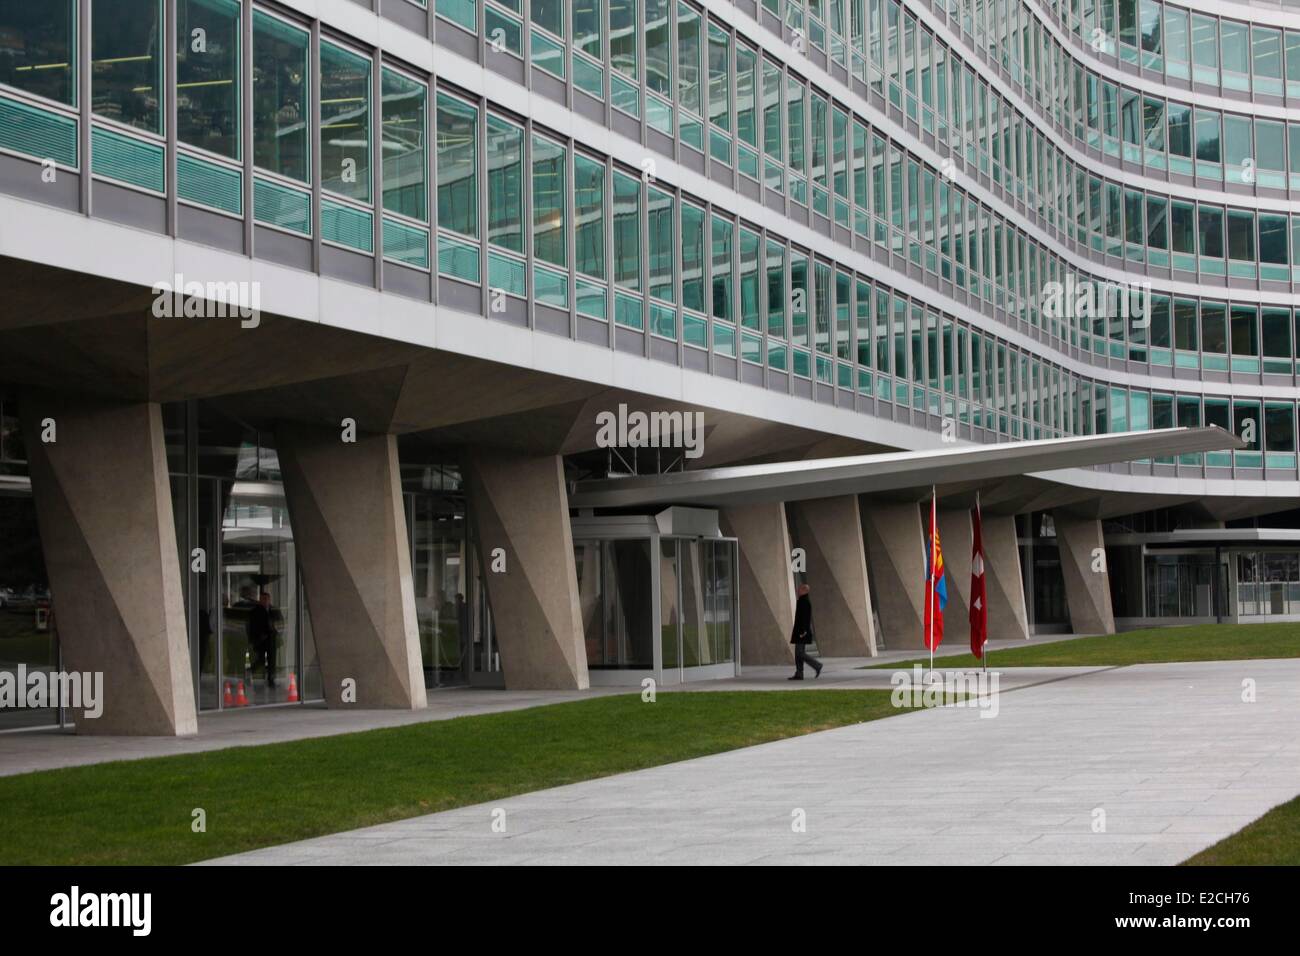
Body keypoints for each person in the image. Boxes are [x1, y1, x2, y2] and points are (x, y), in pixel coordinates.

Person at [788, 583, 822, 680]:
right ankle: (799, 673)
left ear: (804, 591)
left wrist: (803, 632)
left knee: (799, 653)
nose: (797, 591)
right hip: (800, 632)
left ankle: (817, 665)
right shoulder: (802, 601)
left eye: (799, 590)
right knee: (798, 653)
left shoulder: (805, 602)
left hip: (802, 633)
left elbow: (806, 619)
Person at [247, 591, 280, 688]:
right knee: (260, 659)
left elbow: (279, 621)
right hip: (260, 639)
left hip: (271, 639)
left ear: (269, 600)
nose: (265, 601)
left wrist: (276, 631)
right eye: (263, 599)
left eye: (266, 599)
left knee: (271, 660)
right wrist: (255, 638)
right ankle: (250, 671)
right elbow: (252, 626)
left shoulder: (273, 610)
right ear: (260, 600)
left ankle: (271, 680)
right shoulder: (255, 611)